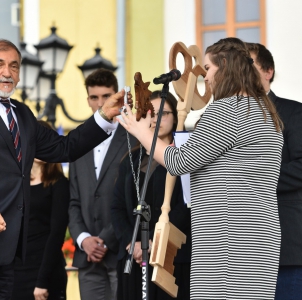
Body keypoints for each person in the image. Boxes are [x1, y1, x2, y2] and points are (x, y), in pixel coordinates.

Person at [0, 39, 130, 300]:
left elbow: (64, 149)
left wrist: (103, 117)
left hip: (7, 254)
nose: (7, 72)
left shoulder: (22, 114)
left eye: (14, 66)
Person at [118, 37, 284, 299]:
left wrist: (142, 132)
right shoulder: (265, 110)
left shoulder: (227, 109)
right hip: (259, 236)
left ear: (225, 66)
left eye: (208, 68)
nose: (204, 78)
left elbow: (179, 161)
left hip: (228, 239)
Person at [111, 90, 191, 299]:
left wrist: (158, 243)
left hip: (171, 257)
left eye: (163, 113)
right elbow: (117, 207)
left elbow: (186, 206)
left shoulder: (185, 156)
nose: (156, 119)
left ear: (175, 117)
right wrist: (133, 243)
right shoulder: (131, 159)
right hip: (135, 257)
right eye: (150, 113)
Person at [68, 68, 135, 300]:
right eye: (94, 97)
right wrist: (83, 239)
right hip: (86, 256)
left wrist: (105, 240)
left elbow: (132, 199)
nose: (100, 103)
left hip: (119, 250)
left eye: (106, 96)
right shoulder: (78, 140)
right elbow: (73, 199)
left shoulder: (132, 138)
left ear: (116, 97)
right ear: (87, 99)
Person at [246, 42, 302, 300]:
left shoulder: (293, 112)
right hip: (242, 250)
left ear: (268, 71)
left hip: (285, 248)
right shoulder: (227, 119)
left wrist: (253, 180)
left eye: (249, 66)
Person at [12, 120, 69, 300]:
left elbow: (56, 234)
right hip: (15, 273)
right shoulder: (14, 183)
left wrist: (42, 281)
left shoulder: (59, 184)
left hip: (45, 272)